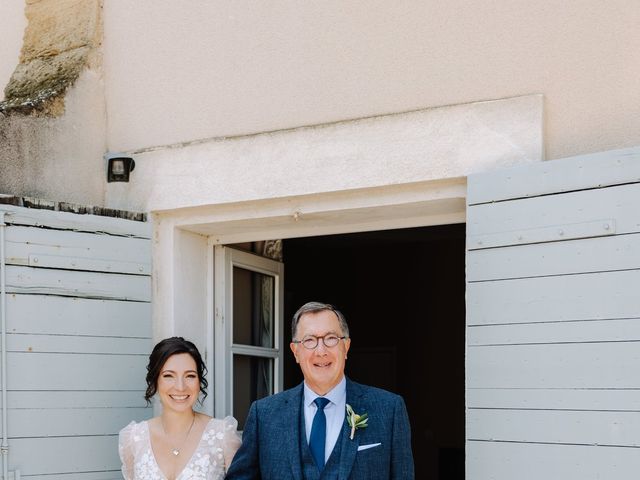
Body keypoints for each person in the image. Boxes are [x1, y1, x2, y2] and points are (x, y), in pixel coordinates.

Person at [226, 301, 415, 479]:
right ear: (295, 352)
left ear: (346, 346)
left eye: (331, 338)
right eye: (309, 340)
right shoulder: (264, 415)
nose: (321, 350)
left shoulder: (389, 410)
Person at [118, 337, 241, 480]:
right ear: (155, 381)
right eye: (169, 376)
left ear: (199, 382)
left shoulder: (223, 435)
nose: (180, 387)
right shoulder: (134, 438)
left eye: (190, 376)